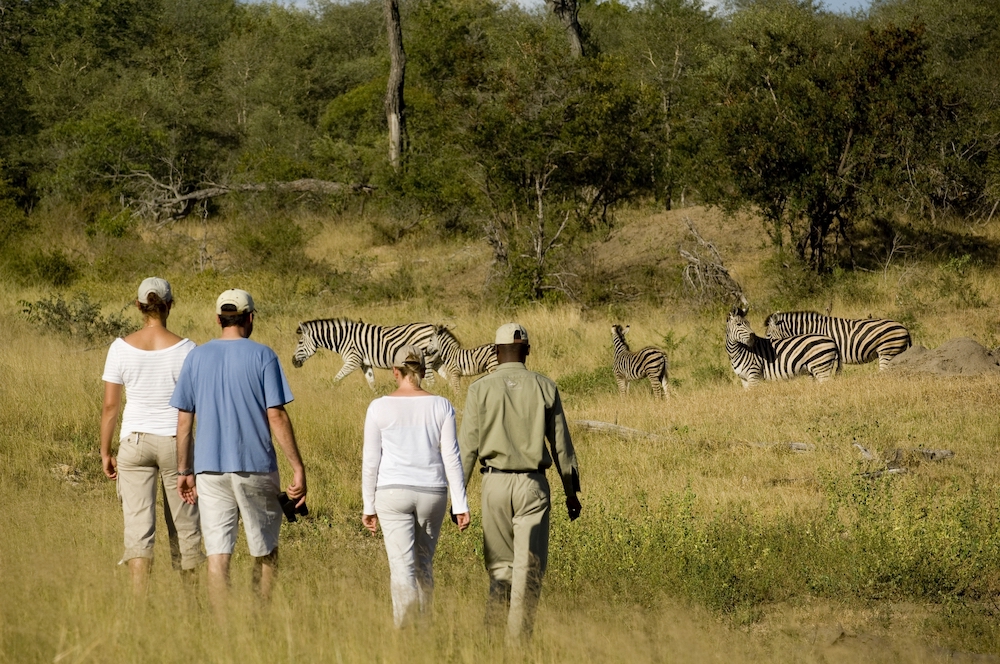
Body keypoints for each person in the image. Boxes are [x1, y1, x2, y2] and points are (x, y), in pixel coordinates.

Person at [171, 289, 307, 611]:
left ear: (219, 319)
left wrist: (183, 471)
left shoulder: (196, 357)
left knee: (218, 552)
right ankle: (260, 618)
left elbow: (184, 421)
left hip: (208, 469)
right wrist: (297, 467)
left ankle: (223, 629)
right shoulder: (263, 355)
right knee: (265, 548)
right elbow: (276, 414)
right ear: (250, 318)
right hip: (254, 466)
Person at [459, 323, 581, 642]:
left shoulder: (479, 389)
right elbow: (561, 446)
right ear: (527, 350)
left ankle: (491, 639)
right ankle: (518, 646)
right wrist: (571, 493)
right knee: (528, 572)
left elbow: (468, 447)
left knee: (501, 570)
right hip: (533, 485)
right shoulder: (545, 386)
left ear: (496, 351)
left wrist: (457, 500)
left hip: (493, 485)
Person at [100, 277, 204, 595]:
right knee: (186, 527)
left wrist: (106, 452)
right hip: (177, 444)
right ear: (170, 305)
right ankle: (192, 606)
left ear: (139, 306)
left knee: (138, 527)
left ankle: (138, 607)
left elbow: (110, 406)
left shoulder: (120, 348)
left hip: (134, 442)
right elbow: (197, 405)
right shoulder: (188, 350)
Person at [362, 345, 471, 628]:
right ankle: (425, 631)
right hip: (432, 492)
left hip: (392, 492)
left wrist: (368, 506)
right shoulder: (442, 405)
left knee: (402, 568)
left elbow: (371, 460)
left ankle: (405, 637)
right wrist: (460, 504)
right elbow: (452, 457)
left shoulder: (378, 407)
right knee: (424, 565)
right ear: (423, 371)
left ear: (395, 372)